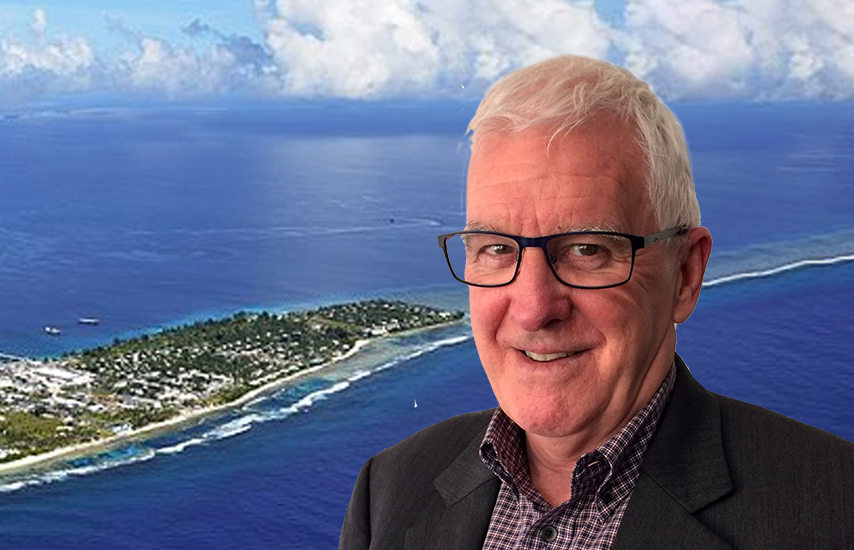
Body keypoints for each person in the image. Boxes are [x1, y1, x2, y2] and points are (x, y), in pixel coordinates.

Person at [339, 55, 854, 549]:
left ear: (685, 275)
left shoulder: (834, 511)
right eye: (496, 249)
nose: (533, 309)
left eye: (587, 250)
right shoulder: (389, 487)